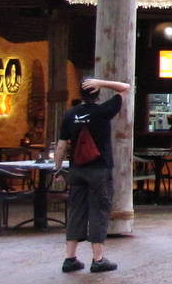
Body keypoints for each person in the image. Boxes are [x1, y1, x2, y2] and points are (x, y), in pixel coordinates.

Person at [52, 77, 130, 273]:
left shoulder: (70, 114)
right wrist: (101, 82)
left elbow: (61, 145)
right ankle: (98, 259)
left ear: (80, 94)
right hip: (99, 170)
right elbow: (125, 88)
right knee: (99, 211)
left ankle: (70, 258)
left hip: (77, 169)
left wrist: (57, 168)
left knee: (76, 211)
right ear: (97, 94)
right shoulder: (103, 111)